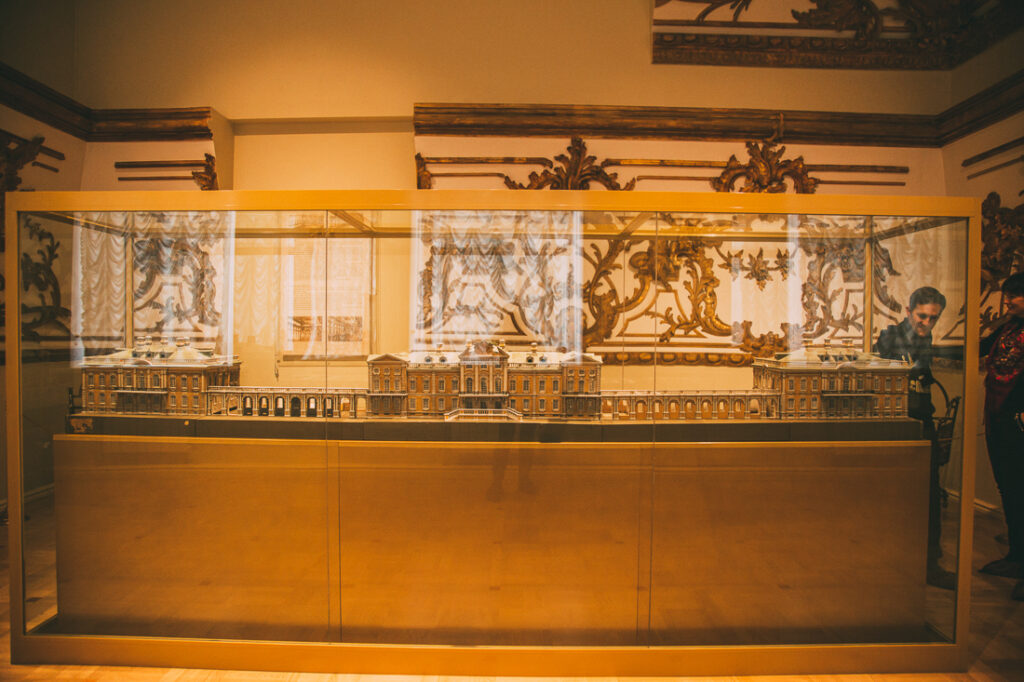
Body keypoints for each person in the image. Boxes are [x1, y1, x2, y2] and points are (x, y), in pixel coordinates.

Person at [876, 286, 955, 590]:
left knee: (930, 493)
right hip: (897, 423)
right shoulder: (891, 338)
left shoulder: (925, 338)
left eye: (933, 318)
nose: (927, 322)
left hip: (921, 421)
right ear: (908, 312)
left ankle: (929, 562)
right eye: (922, 316)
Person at [979, 272, 1024, 601]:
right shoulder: (1008, 327)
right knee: (1009, 488)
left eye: (1015, 296)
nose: (1008, 301)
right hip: (1001, 419)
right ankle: (1017, 555)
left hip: (1017, 420)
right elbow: (979, 348)